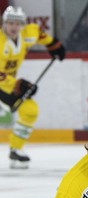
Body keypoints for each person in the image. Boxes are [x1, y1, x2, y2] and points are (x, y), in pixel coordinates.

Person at [0, 6, 66, 169]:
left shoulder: (28, 34)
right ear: (4, 23)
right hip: (6, 83)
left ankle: (16, 150)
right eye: (10, 23)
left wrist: (54, 45)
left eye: (17, 23)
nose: (14, 27)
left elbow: (40, 35)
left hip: (6, 85)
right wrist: (17, 84)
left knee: (29, 110)